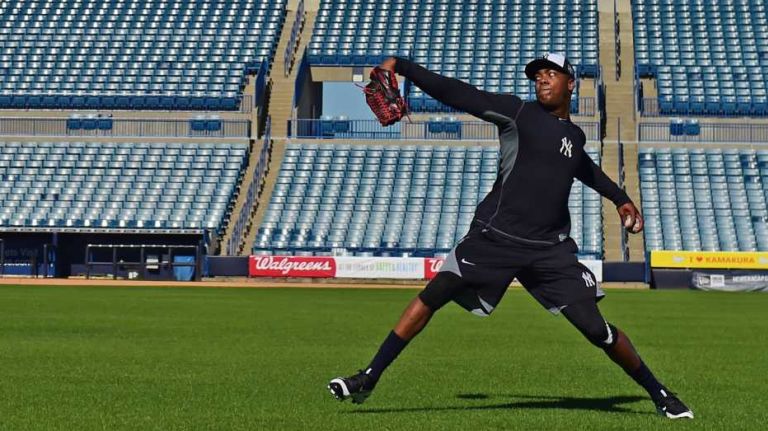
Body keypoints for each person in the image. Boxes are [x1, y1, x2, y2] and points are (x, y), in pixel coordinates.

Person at [327, 53, 693, 420]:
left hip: (549, 250)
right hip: (494, 237)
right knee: (434, 294)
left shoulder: (574, 136)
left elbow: (581, 165)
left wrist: (620, 198)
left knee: (597, 330)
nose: (543, 79)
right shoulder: (518, 113)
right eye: (538, 75)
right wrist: (403, 67)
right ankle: (369, 376)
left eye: (552, 73)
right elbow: (460, 93)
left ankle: (660, 393)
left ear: (571, 84)